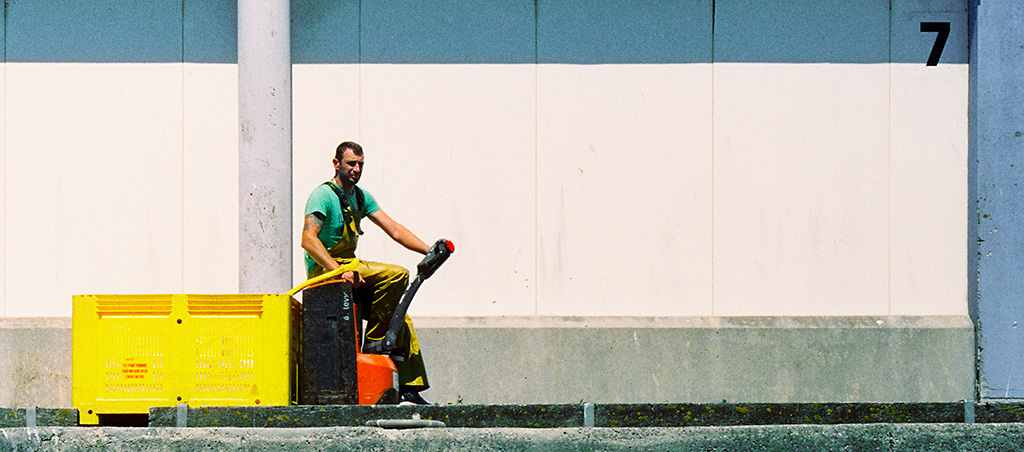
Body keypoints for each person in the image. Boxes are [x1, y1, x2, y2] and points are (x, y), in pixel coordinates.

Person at [301, 141, 433, 405]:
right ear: (336, 164)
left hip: (350, 269)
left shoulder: (361, 197)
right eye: (351, 163)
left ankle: (408, 389)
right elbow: (308, 239)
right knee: (397, 275)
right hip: (326, 271)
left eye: (360, 164)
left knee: (399, 319)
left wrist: (430, 251)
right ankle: (374, 347)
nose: (356, 169)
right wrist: (337, 270)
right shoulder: (323, 195)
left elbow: (394, 229)